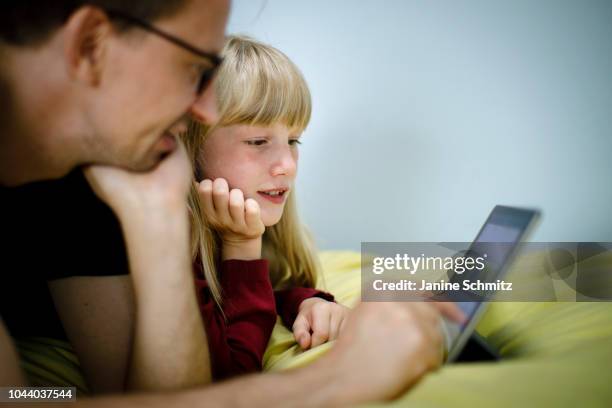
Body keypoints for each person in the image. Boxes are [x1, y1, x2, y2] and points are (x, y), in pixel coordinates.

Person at [0, 1, 466, 406]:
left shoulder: (118, 179)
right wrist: (334, 379)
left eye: (295, 141)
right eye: (190, 70)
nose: (197, 110)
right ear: (88, 44)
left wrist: (309, 300)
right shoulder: (86, 187)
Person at [183, 35, 350, 380]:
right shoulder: (175, 246)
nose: (287, 164)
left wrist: (307, 302)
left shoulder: (259, 223)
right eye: (258, 141)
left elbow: (272, 289)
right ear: (191, 147)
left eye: (293, 140)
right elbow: (232, 377)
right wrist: (241, 246)